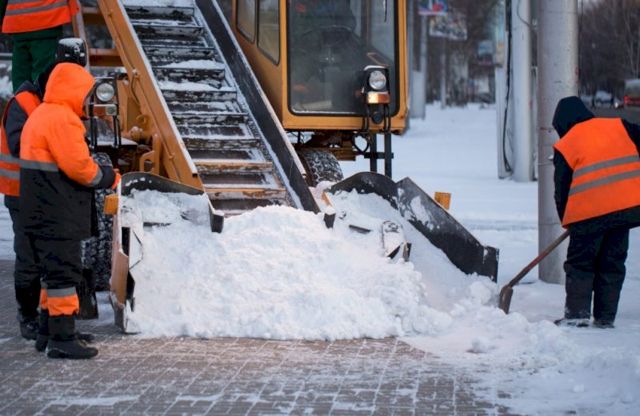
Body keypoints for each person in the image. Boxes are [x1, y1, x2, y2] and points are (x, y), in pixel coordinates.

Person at [20, 62, 120, 359]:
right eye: (86, 93)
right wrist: (109, 176)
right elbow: (80, 169)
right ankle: (62, 339)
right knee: (64, 275)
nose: (88, 100)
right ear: (73, 90)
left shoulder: (42, 114)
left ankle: (47, 331)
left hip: (41, 210)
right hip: (57, 212)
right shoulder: (63, 119)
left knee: (51, 274)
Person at [0, 38, 88, 343]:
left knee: (53, 259)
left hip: (49, 194)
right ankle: (28, 316)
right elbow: (21, 146)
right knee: (30, 257)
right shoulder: (25, 103)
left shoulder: (60, 107)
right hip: (20, 191)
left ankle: (50, 323)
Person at [552, 96, 640, 328]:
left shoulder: (567, 144)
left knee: (581, 264)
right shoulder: (619, 126)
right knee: (612, 263)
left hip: (588, 215)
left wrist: (568, 221)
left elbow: (561, 189)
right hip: (625, 210)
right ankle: (605, 317)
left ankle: (577, 316)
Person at [0, 0, 80, 91]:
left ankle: (23, 99)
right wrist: (73, 8)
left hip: (18, 25)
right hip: (47, 23)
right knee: (43, 78)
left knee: (21, 79)